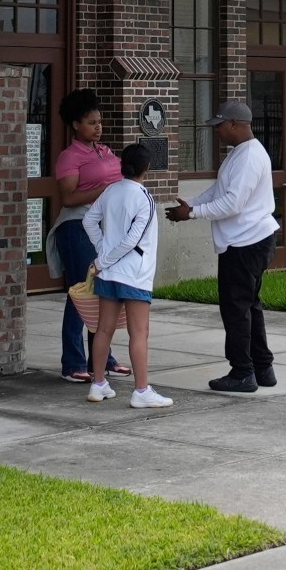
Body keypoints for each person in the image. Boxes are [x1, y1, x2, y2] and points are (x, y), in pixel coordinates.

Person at [167, 99, 280, 394]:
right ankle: (262, 367)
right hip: (251, 240)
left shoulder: (249, 157)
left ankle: (243, 372)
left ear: (234, 124)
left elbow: (232, 204)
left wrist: (191, 214)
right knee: (250, 306)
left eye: (219, 126)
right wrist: (191, 204)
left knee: (236, 309)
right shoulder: (240, 154)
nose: (216, 132)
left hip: (246, 243)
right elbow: (219, 191)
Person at [80, 143, 170, 409]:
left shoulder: (110, 191)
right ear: (147, 168)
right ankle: (141, 390)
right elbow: (134, 240)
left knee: (102, 329)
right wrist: (104, 257)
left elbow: (88, 221)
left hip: (108, 273)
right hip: (135, 274)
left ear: (122, 166)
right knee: (139, 333)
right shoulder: (145, 197)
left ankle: (98, 384)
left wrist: (102, 252)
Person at [50, 90, 129, 383]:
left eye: (99, 122)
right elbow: (68, 197)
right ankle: (72, 363)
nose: (98, 127)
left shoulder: (104, 151)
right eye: (90, 122)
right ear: (75, 125)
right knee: (81, 292)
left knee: (104, 292)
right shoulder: (69, 157)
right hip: (77, 227)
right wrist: (107, 188)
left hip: (105, 230)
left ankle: (102, 360)